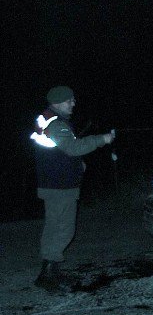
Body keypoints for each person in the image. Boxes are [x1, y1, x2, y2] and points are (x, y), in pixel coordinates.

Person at [29, 86, 115, 293]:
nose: (73, 103)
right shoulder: (57, 123)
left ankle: (50, 273)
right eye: (69, 100)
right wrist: (101, 139)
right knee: (62, 229)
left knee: (54, 228)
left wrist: (77, 165)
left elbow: (59, 151)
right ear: (58, 103)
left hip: (54, 183)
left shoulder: (47, 119)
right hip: (59, 186)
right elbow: (73, 148)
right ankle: (49, 276)